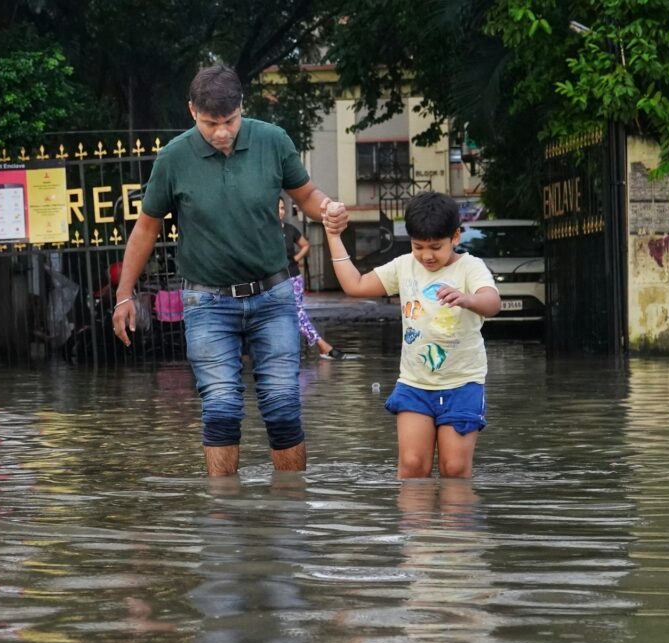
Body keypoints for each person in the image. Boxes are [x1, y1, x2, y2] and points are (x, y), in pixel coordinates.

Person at [112, 65, 349, 477]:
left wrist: (328, 208)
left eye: (230, 121)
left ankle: (290, 512)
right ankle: (223, 516)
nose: (222, 133)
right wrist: (124, 295)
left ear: (243, 108)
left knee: (282, 404)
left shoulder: (272, 141)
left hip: (273, 297)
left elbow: (307, 194)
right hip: (206, 302)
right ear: (192, 112)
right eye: (210, 124)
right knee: (220, 407)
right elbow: (146, 228)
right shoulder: (173, 159)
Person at [322, 191, 500, 479]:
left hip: (463, 384)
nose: (427, 255)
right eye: (418, 246)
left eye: (435, 247)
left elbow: (492, 303)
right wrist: (333, 236)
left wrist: (467, 299)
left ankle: (458, 524)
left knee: (454, 468)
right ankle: (415, 525)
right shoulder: (404, 266)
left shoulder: (471, 268)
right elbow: (355, 285)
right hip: (415, 385)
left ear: (456, 237)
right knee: (413, 465)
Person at [278, 196, 355, 360]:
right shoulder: (265, 231)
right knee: (284, 315)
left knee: (297, 313)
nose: (281, 211)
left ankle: (322, 346)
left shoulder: (289, 229)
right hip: (274, 280)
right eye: (277, 208)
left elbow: (305, 245)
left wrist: (295, 259)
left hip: (293, 277)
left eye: (283, 208)